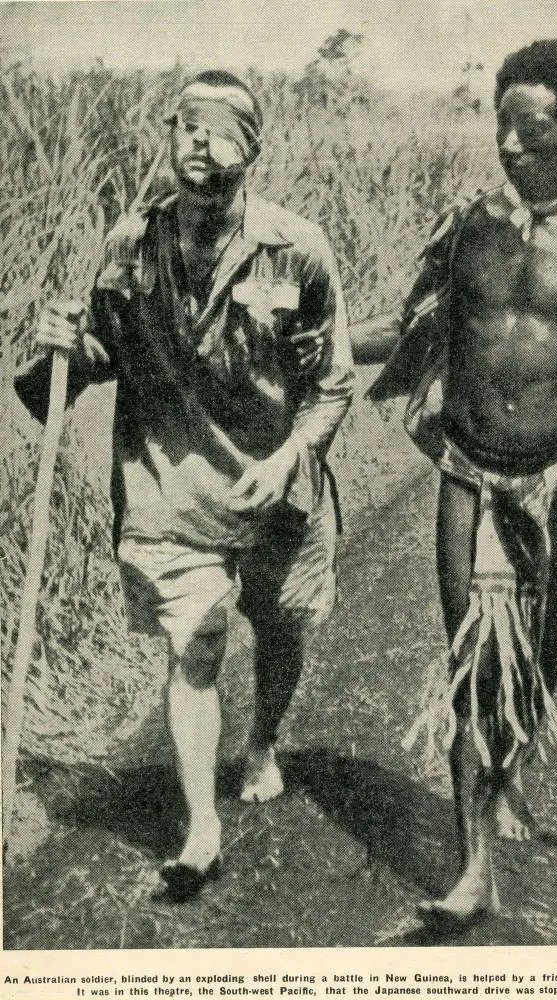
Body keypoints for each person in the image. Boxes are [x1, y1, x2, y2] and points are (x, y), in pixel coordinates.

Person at [16, 70, 354, 901]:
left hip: (277, 483)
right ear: (168, 137)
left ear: (255, 148)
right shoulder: (129, 244)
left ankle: (265, 740)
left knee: (279, 629)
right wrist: (57, 346)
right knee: (196, 642)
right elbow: (87, 367)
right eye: (186, 124)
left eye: (224, 125)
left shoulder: (295, 248)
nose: (201, 140)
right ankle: (201, 826)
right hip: (172, 484)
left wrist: (289, 460)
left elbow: (335, 382)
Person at [362, 39, 557, 928]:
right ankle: (473, 866)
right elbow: (404, 330)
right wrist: (309, 335)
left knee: (537, 663)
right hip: (467, 472)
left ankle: (508, 771)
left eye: (530, 130)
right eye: (502, 126)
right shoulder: (466, 228)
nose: (510, 145)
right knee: (470, 668)